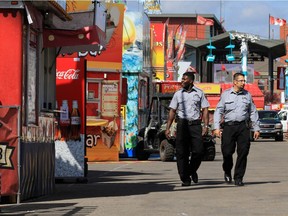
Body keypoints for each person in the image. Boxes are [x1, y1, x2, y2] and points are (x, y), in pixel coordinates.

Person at [213, 72, 260, 186]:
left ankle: (238, 177)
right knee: (227, 152)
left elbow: (253, 112)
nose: (243, 83)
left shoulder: (247, 95)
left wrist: (256, 128)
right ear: (235, 82)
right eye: (241, 80)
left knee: (243, 152)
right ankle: (227, 170)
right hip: (229, 127)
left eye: (244, 81)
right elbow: (218, 111)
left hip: (243, 127)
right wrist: (216, 128)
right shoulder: (226, 94)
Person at [165, 72, 210, 186]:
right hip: (182, 124)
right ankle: (185, 178)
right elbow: (172, 111)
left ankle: (191, 170)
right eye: (182, 78)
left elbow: (205, 110)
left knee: (199, 151)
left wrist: (205, 126)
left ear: (190, 81)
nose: (182, 80)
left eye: (184, 79)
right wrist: (168, 128)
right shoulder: (178, 94)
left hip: (195, 124)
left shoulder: (199, 93)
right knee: (181, 152)